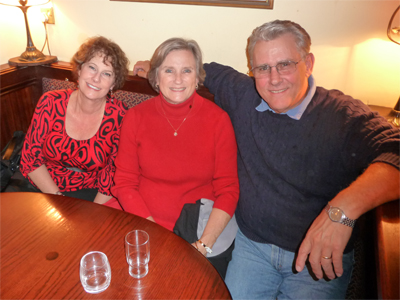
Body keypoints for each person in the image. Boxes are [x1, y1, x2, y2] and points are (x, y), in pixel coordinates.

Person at [135, 20, 400, 298]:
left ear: (308, 63)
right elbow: (202, 69)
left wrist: (341, 211)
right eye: (263, 68)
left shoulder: (342, 115)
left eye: (285, 64)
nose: (274, 79)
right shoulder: (243, 94)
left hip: (316, 258)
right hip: (252, 248)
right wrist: (153, 66)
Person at [106, 38, 239, 278]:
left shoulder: (218, 121)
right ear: (156, 77)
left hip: (195, 226)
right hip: (141, 218)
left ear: (197, 77)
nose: (178, 79)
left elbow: (228, 189)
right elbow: (124, 182)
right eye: (169, 70)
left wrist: (204, 245)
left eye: (186, 70)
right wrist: (153, 233)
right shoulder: (136, 117)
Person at [20, 36, 129, 203]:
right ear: (79, 70)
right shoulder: (51, 102)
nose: (96, 78)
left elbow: (113, 173)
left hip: (90, 194)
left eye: (106, 73)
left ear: (113, 84)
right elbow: (31, 158)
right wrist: (58, 199)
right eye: (92, 68)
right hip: (42, 186)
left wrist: (95, 211)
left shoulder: (120, 115)